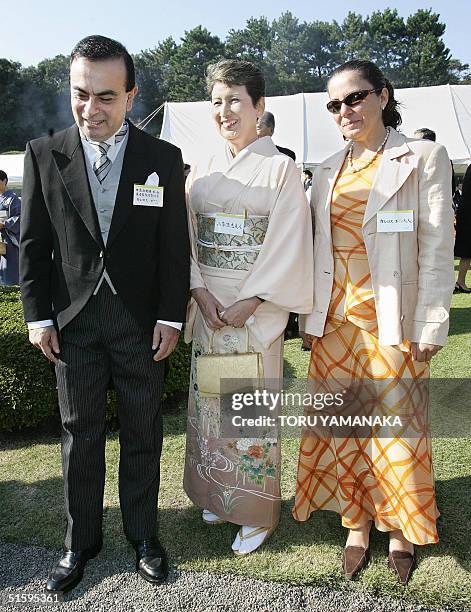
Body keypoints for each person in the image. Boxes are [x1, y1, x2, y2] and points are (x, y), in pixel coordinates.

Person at [20, 35, 190, 593]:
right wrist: (37, 317)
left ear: (131, 96)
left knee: (143, 432)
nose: (90, 109)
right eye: (80, 95)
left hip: (141, 324)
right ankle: (80, 542)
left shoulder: (162, 159)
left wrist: (171, 316)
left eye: (106, 97)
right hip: (74, 324)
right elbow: (33, 244)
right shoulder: (44, 154)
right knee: (79, 435)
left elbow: (173, 246)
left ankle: (144, 536)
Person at [293, 60, 454, 585]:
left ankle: (400, 531)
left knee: (395, 434)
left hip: (392, 323)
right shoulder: (324, 169)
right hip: (334, 325)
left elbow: (435, 248)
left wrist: (430, 324)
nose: (345, 111)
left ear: (383, 95)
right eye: (335, 104)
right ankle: (356, 524)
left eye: (355, 98)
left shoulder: (423, 157)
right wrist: (306, 317)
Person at [183, 59, 313, 555]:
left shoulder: (280, 167)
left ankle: (255, 510)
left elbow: (289, 242)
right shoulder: (204, 166)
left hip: (254, 310)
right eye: (216, 102)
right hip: (210, 303)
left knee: (248, 416)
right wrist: (198, 291)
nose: (224, 111)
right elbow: (188, 238)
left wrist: (252, 300)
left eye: (235, 99)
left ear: (259, 107)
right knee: (210, 409)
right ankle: (218, 493)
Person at [0, 170, 21, 285]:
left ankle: (10, 284)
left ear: (5, 181)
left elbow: (19, 217)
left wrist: (5, 224)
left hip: (9, 236)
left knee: (9, 262)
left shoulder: (13, 199)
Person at [454, 164, 471, 292]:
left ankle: (460, 282)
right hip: (468, 217)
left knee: (467, 254)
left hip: (465, 215)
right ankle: (460, 282)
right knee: (467, 253)